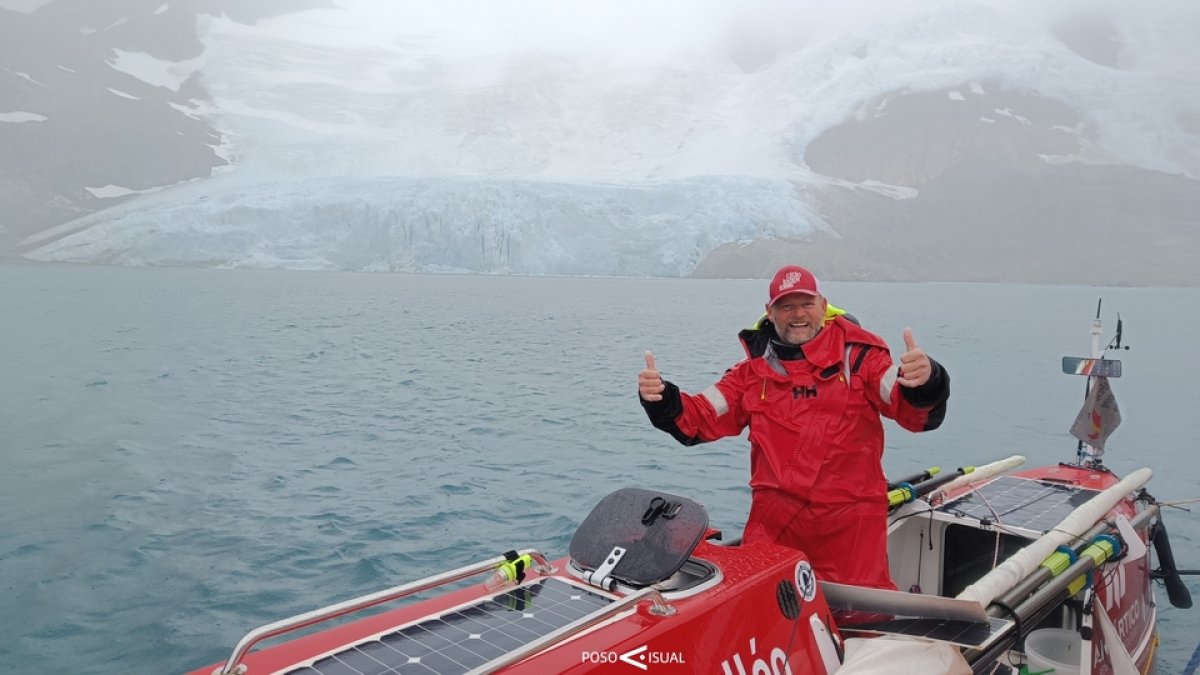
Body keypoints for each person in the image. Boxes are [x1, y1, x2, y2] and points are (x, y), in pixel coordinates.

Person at [638, 265, 949, 589]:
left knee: (861, 617)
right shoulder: (751, 375)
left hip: (850, 527)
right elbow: (699, 418)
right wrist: (662, 399)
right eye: (786, 306)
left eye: (806, 304)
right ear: (769, 312)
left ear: (823, 305)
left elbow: (910, 410)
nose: (797, 314)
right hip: (776, 526)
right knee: (763, 614)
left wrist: (926, 380)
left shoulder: (859, 360)